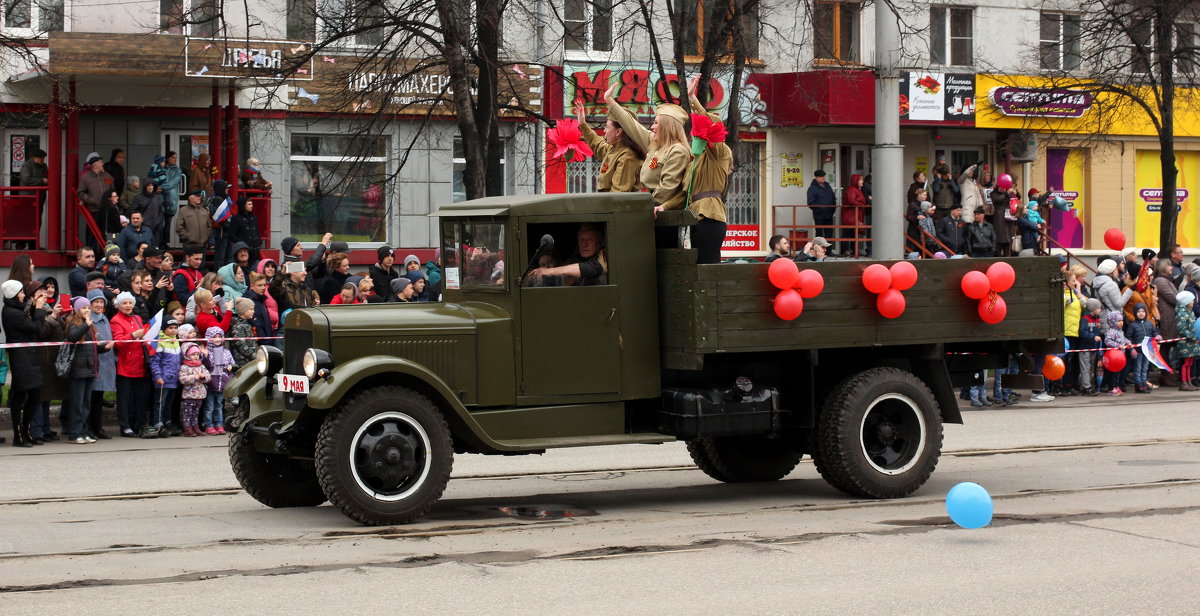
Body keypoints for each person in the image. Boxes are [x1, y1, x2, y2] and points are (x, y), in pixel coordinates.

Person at [603, 84, 691, 217]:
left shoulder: (677, 151)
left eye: (656, 123)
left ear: (667, 127)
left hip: (663, 215)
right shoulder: (656, 145)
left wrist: (642, 205)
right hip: (650, 209)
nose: (652, 127)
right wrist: (610, 101)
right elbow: (632, 126)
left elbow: (667, 189)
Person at [677, 77, 734, 264]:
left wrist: (693, 100)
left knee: (707, 266)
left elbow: (710, 127)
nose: (696, 135)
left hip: (710, 217)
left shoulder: (720, 152)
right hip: (695, 217)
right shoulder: (696, 159)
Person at [3, 280, 48, 446]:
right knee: (20, 396)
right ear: (14, 295)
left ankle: (27, 432)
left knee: (34, 394)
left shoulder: (17, 309)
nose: (23, 295)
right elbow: (35, 327)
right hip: (21, 358)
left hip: (30, 356)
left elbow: (29, 316)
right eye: (21, 293)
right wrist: (40, 310)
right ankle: (18, 435)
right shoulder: (11, 313)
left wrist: (35, 306)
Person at [62, 297, 110, 444]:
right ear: (77, 310)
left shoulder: (89, 326)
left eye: (88, 308)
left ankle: (83, 431)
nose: (87, 310)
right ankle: (74, 433)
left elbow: (91, 347)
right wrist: (86, 326)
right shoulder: (73, 324)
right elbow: (73, 337)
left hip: (90, 368)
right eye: (84, 308)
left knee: (85, 403)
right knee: (77, 403)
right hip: (78, 369)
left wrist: (103, 347)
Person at [574, 98, 644, 192]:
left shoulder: (627, 157)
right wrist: (582, 123)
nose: (604, 131)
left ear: (618, 132)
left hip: (613, 204)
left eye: (607, 127)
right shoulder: (615, 147)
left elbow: (618, 195)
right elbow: (598, 144)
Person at [110, 292, 149, 437]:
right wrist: (133, 336)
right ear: (118, 306)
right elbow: (118, 342)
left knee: (140, 398)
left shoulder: (137, 318)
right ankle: (125, 425)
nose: (128, 306)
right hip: (125, 365)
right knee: (125, 398)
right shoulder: (115, 320)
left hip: (140, 363)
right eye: (124, 303)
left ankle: (139, 424)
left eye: (129, 303)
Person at [526, 224, 607, 286]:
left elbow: (593, 268)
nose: (584, 244)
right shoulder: (573, 260)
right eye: (581, 239)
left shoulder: (604, 257)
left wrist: (549, 271)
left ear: (601, 242)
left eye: (589, 239)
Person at [85, 289, 116, 439]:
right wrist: (103, 347)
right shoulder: (89, 320)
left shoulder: (104, 318)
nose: (98, 305)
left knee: (98, 397)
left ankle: (98, 427)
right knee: (91, 398)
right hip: (95, 362)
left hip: (106, 362)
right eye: (96, 302)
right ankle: (89, 427)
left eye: (101, 302)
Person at [147, 318, 181, 438]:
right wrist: (157, 375)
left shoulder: (175, 340)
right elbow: (155, 361)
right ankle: (158, 423)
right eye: (170, 328)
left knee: (169, 403)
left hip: (174, 378)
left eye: (175, 328)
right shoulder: (160, 342)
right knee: (160, 402)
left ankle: (167, 421)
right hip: (163, 378)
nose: (173, 330)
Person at [148, 152, 184, 246]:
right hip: (159, 199)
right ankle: (158, 243)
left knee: (167, 225)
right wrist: (156, 188)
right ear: (167, 159)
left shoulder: (178, 170)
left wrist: (161, 187)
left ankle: (165, 243)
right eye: (172, 157)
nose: (175, 159)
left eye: (176, 157)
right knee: (158, 224)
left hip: (171, 200)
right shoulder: (160, 167)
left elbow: (173, 182)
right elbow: (152, 178)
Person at [202, 326, 233, 434]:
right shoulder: (207, 352)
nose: (218, 339)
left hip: (223, 382)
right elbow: (206, 366)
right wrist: (205, 356)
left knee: (219, 405)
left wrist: (231, 367)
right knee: (209, 406)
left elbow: (232, 363)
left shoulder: (227, 352)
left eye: (220, 336)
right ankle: (208, 424)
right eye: (214, 337)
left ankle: (219, 424)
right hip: (211, 382)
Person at [177, 342, 211, 437]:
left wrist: (203, 377)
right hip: (189, 394)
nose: (196, 356)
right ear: (187, 355)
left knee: (195, 413)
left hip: (199, 394)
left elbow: (208, 377)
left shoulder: (201, 366)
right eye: (193, 355)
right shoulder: (184, 367)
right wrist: (194, 377)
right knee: (187, 413)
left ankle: (195, 427)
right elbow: (182, 379)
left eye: (197, 354)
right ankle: (187, 428)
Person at [1124, 302, 1160, 393]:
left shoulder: (1149, 324)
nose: (1141, 313)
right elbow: (1128, 337)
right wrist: (1131, 349)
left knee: (1145, 367)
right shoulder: (1132, 325)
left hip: (1147, 351)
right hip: (1138, 351)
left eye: (1143, 311)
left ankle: (1144, 383)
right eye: (1139, 311)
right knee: (1138, 368)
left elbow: (1154, 333)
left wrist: (1157, 337)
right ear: (1135, 313)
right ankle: (1138, 384)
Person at [1174, 291, 1199, 391]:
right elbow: (1182, 329)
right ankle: (1184, 382)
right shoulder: (1181, 313)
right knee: (1185, 363)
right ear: (1186, 302)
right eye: (1192, 300)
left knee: (1190, 362)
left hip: (1192, 342)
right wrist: (1193, 337)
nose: (1193, 302)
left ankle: (1189, 381)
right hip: (1185, 343)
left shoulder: (1190, 312)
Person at [1102, 311, 1131, 395]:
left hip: (1120, 357)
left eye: (1121, 320)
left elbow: (1123, 339)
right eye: (1118, 321)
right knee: (1113, 374)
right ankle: (1111, 388)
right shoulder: (1111, 331)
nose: (1121, 322)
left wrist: (1128, 342)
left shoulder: (1120, 331)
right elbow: (1107, 341)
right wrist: (1118, 345)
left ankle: (1116, 387)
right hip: (1113, 357)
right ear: (1112, 322)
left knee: (1118, 373)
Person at [1078, 298, 1103, 396]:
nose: (1100, 309)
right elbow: (1082, 332)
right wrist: (1093, 337)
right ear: (1093, 309)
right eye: (1098, 308)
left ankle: (1088, 385)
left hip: (1093, 348)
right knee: (1085, 367)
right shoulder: (1085, 319)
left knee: (1091, 368)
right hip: (1085, 347)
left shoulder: (1097, 318)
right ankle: (1086, 387)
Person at [840, 173, 868, 256]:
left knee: (853, 233)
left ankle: (853, 250)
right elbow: (851, 201)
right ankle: (846, 250)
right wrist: (861, 204)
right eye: (860, 180)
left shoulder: (857, 190)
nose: (862, 181)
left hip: (855, 215)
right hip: (850, 215)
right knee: (848, 232)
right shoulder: (852, 190)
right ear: (856, 181)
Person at [226, 195, 261, 263]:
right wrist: (240, 243)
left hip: (255, 249)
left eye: (252, 204)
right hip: (243, 250)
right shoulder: (236, 218)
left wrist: (259, 241)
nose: (251, 206)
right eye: (249, 204)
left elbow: (257, 231)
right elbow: (231, 234)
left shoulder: (254, 217)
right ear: (243, 206)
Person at [806, 169, 837, 241]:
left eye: (823, 176)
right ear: (816, 177)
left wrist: (833, 208)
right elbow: (811, 202)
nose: (823, 178)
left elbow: (832, 198)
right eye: (821, 176)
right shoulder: (812, 188)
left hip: (829, 214)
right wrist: (821, 209)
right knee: (819, 234)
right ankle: (819, 251)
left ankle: (829, 251)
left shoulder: (827, 186)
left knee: (829, 233)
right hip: (819, 215)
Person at [229, 297, 259, 367]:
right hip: (242, 363)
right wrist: (254, 355)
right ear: (243, 310)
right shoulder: (238, 326)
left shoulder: (246, 324)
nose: (253, 311)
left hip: (249, 361)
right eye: (251, 309)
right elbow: (241, 345)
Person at [243, 272, 274, 341]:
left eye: (264, 285)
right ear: (252, 286)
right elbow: (256, 325)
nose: (263, 288)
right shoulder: (250, 302)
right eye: (259, 285)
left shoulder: (260, 300)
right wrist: (266, 342)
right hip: (261, 343)